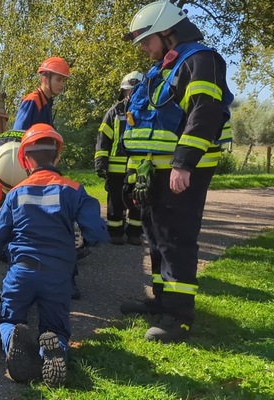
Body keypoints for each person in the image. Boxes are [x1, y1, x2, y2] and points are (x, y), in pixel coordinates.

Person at [119, 1, 233, 343]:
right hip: (156, 171)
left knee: (176, 241)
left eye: (146, 39)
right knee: (155, 238)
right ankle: (162, 302)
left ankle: (179, 317)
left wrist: (183, 163)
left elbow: (206, 112)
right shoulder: (164, 68)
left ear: (167, 31)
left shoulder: (200, 60)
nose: (142, 48)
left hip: (181, 172)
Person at [0, 123, 108, 387]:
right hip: (58, 275)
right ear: (57, 156)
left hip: (21, 273)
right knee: (56, 328)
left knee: (9, 319)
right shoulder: (73, 189)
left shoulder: (15, 193)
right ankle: (53, 351)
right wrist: (85, 243)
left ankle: (13, 340)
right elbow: (96, 232)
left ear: (25, 160)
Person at [94, 71, 144, 245]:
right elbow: (103, 138)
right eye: (128, 90)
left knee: (138, 200)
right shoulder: (114, 112)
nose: (130, 94)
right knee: (115, 201)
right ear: (123, 92)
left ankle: (135, 233)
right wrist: (101, 162)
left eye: (135, 90)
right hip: (115, 168)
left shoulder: (148, 111)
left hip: (138, 167)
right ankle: (115, 232)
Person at [12, 57, 70, 130]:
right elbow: (17, 133)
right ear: (45, 79)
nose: (62, 84)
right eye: (58, 80)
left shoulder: (47, 102)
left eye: (63, 81)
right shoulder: (32, 100)